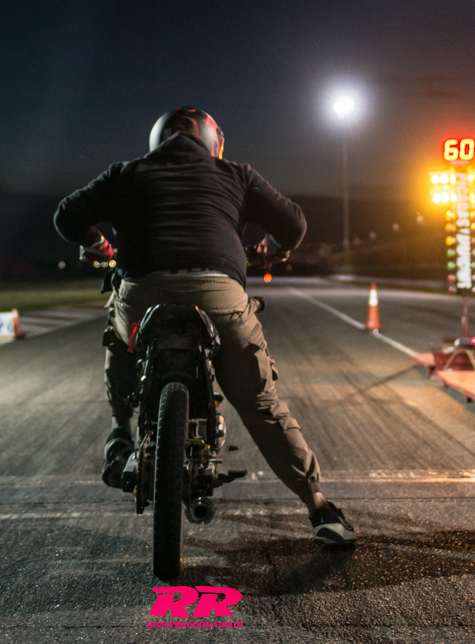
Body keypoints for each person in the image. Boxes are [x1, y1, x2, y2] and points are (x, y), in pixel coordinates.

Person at [54, 107, 355, 547]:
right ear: (213, 142)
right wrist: (270, 248)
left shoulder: (126, 173)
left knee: (118, 334)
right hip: (220, 296)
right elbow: (294, 224)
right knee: (261, 403)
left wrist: (98, 243)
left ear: (157, 141)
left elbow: (66, 216)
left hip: (144, 293)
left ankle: (121, 427)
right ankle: (319, 507)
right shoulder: (236, 174)